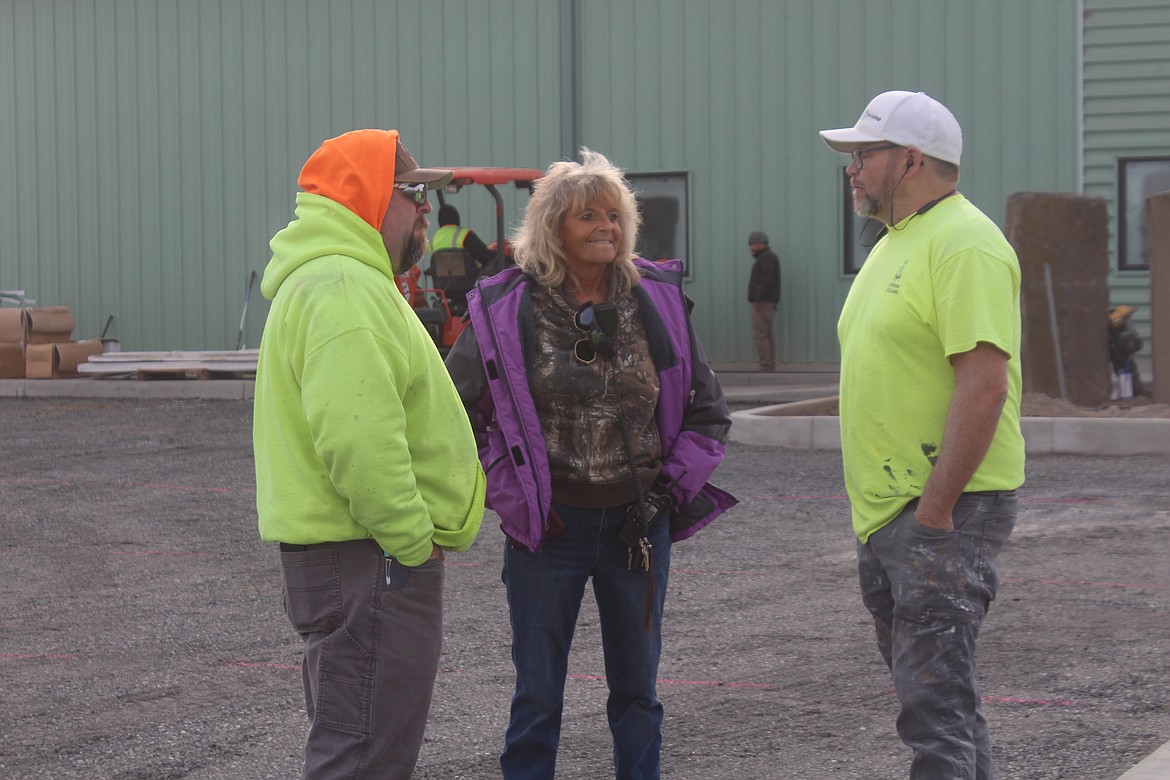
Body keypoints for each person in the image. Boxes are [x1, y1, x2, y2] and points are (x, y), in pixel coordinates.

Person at [444, 148, 737, 780]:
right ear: (554, 228)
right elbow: (458, 411)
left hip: (639, 528)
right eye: (587, 217)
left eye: (613, 214)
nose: (605, 226)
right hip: (550, 532)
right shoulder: (504, 307)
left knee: (638, 693)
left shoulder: (655, 299)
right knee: (537, 695)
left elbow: (707, 412)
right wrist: (509, 487)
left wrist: (668, 490)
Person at [252, 128, 487, 780]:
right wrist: (412, 541)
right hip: (373, 561)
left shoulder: (341, 281)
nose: (426, 213)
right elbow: (359, 440)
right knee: (362, 758)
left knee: (361, 745)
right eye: (414, 194)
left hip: (363, 560)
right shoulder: (342, 289)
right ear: (370, 196)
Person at [820, 91, 1026, 779]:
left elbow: (985, 384)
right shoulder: (897, 243)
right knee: (944, 704)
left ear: (910, 159)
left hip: (942, 508)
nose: (851, 168)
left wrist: (936, 512)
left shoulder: (965, 244)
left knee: (932, 711)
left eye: (863, 154)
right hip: (896, 511)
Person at [746, 230, 781, 371]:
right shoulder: (767, 258)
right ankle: (769, 363)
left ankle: (766, 365)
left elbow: (767, 280)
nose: (750, 247)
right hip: (766, 302)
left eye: (752, 244)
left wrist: (758, 299)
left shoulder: (767, 258)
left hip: (763, 302)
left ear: (761, 244)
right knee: (766, 334)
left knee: (761, 334)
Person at [1108, 304, 1144, 397]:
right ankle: (1128, 392)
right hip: (1118, 354)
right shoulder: (1113, 326)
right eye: (1126, 317)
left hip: (1124, 353)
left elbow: (1137, 343)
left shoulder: (1126, 327)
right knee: (1123, 371)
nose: (1128, 319)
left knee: (1130, 370)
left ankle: (1136, 391)